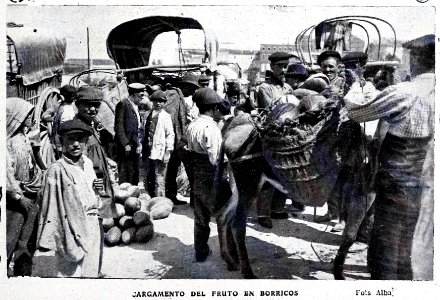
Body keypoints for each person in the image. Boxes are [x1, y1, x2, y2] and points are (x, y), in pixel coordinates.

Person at [343, 34, 435, 280]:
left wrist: (354, 86)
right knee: (412, 240)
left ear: (415, 57)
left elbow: (358, 113)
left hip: (399, 179)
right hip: (426, 177)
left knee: (388, 241)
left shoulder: (406, 92)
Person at [34, 119, 104, 278]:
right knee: (70, 274)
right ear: (61, 142)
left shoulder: (87, 163)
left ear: (86, 141)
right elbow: (49, 207)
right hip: (70, 227)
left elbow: (90, 193)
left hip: (92, 223)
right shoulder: (56, 170)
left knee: (90, 271)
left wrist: (96, 189)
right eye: (71, 139)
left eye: (80, 139)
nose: (76, 144)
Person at [185, 87, 230, 262]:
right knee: (223, 216)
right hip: (213, 176)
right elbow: (215, 158)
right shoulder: (210, 128)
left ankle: (201, 252)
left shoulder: (191, 126)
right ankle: (227, 254)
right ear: (214, 108)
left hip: (197, 176)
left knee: (201, 218)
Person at [255, 52, 299, 228]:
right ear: (272, 67)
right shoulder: (265, 88)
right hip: (271, 134)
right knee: (269, 174)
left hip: (287, 134)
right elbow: (272, 110)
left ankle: (277, 208)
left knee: (285, 172)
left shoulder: (288, 87)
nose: (283, 69)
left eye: (286, 66)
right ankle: (263, 212)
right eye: (280, 66)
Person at [6, 97, 42, 276]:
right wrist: (19, 196)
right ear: (16, 116)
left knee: (26, 239)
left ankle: (23, 274)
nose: (31, 117)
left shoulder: (24, 138)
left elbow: (31, 165)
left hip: (30, 194)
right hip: (16, 201)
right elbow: (6, 174)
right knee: (10, 239)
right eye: (27, 114)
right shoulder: (7, 143)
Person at [73, 86, 117, 219]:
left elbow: (94, 150)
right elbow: (78, 163)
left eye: (96, 105)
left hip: (100, 180)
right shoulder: (77, 130)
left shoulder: (89, 125)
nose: (93, 109)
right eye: (87, 105)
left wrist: (106, 159)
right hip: (92, 185)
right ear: (77, 105)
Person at [141, 90, 175, 197]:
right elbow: (141, 131)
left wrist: (167, 152)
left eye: (161, 101)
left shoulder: (166, 117)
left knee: (159, 178)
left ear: (164, 103)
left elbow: (170, 135)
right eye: (156, 101)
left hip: (159, 151)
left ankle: (160, 200)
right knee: (149, 176)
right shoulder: (147, 115)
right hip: (148, 150)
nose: (158, 103)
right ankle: (151, 198)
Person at [114, 83, 145, 185]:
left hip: (134, 144)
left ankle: (133, 194)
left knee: (134, 171)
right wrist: (125, 143)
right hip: (127, 146)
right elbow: (119, 126)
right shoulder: (123, 104)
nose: (142, 97)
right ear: (134, 94)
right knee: (126, 171)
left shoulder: (135, 106)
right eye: (140, 95)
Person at [52, 84, 77, 158]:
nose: (72, 97)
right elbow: (56, 125)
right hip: (64, 135)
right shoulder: (60, 108)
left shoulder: (75, 106)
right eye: (70, 95)